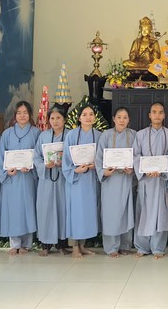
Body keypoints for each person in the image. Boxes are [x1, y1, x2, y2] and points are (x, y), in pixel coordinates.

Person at [0, 101, 40, 255]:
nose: (22, 116)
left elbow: (39, 155)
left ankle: (26, 244)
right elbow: (1, 156)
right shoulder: (7, 134)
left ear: (30, 115)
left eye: (25, 112)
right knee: (13, 210)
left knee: (28, 209)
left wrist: (32, 167)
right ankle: (14, 244)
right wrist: (6, 171)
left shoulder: (36, 133)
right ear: (15, 115)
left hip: (28, 178)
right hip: (12, 179)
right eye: (19, 113)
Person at [133, 102, 168, 259]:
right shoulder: (140, 135)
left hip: (161, 181)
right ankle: (142, 247)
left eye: (160, 112)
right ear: (149, 115)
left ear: (164, 115)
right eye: (154, 112)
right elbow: (135, 155)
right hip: (146, 181)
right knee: (143, 213)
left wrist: (162, 171)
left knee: (161, 214)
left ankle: (158, 247)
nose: (157, 115)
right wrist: (145, 170)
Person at [95, 107, 137, 258]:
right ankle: (111, 247)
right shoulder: (106, 135)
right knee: (110, 213)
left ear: (129, 119)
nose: (122, 120)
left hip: (126, 180)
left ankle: (125, 245)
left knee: (126, 212)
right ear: (113, 119)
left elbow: (138, 155)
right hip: (110, 181)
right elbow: (99, 157)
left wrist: (133, 169)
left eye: (125, 117)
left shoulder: (134, 135)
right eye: (119, 117)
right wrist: (103, 172)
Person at [62, 104, 101, 259]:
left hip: (90, 180)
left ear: (95, 117)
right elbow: (66, 160)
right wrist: (75, 170)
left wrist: (96, 165)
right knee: (76, 213)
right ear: (79, 118)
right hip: (76, 181)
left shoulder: (99, 136)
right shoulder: (71, 135)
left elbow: (102, 157)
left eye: (91, 114)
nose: (88, 117)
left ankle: (83, 245)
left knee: (87, 213)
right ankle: (74, 247)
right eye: (84, 114)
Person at [33, 106, 69, 256]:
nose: (55, 121)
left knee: (62, 210)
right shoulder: (43, 136)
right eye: (52, 118)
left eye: (58, 118)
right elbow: (36, 157)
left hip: (63, 180)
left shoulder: (70, 136)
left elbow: (74, 156)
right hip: (47, 180)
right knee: (46, 210)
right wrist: (44, 165)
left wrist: (63, 163)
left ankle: (62, 245)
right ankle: (45, 245)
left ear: (64, 120)